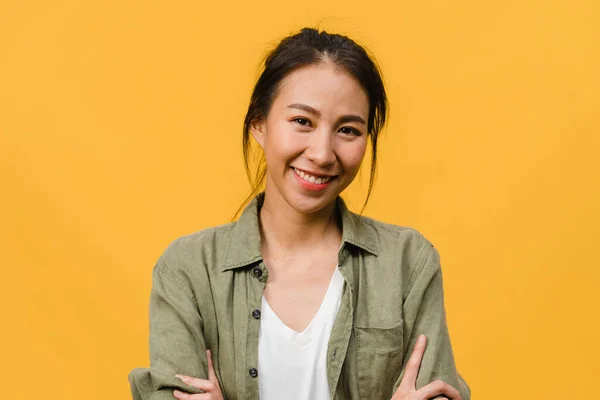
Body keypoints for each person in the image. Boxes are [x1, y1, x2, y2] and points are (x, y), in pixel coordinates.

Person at [128, 27, 471, 400]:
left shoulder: (408, 262)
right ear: (259, 124)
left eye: (348, 130)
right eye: (302, 122)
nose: (322, 153)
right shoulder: (189, 269)